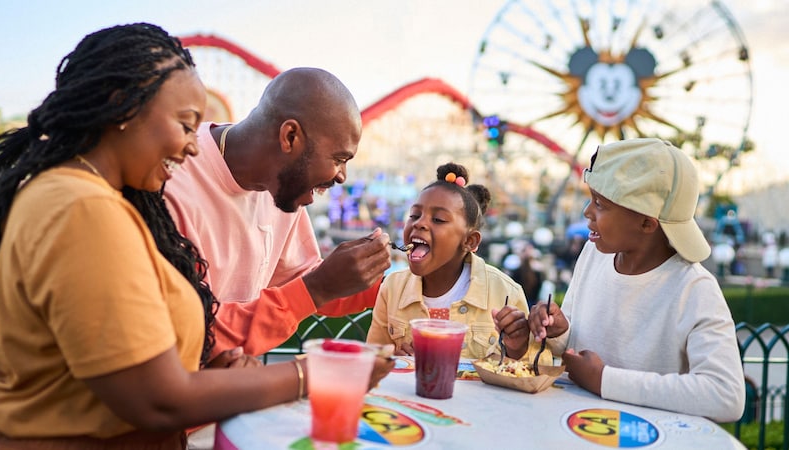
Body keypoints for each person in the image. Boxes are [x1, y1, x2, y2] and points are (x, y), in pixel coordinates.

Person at [0, 23, 392, 449]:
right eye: (185, 125)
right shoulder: (83, 207)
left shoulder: (105, 200)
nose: (194, 147)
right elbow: (156, 399)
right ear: (122, 109)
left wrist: (210, 374)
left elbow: (158, 352)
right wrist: (317, 374)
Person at [162, 67, 392, 358]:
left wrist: (395, 286)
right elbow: (191, 337)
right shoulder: (172, 183)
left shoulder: (283, 186)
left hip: (234, 384)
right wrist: (316, 288)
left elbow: (299, 279)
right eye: (339, 158)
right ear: (290, 136)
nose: (342, 177)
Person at [527, 138, 745, 423]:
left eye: (601, 204)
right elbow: (579, 342)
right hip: (576, 430)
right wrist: (558, 331)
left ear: (647, 223)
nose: (587, 212)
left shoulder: (694, 289)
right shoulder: (594, 253)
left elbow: (726, 395)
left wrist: (604, 380)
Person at [367, 163, 546, 362]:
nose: (419, 223)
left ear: (470, 241)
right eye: (415, 215)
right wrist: (393, 361)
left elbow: (537, 367)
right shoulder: (392, 287)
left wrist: (518, 348)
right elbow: (373, 359)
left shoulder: (505, 292)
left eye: (439, 219)